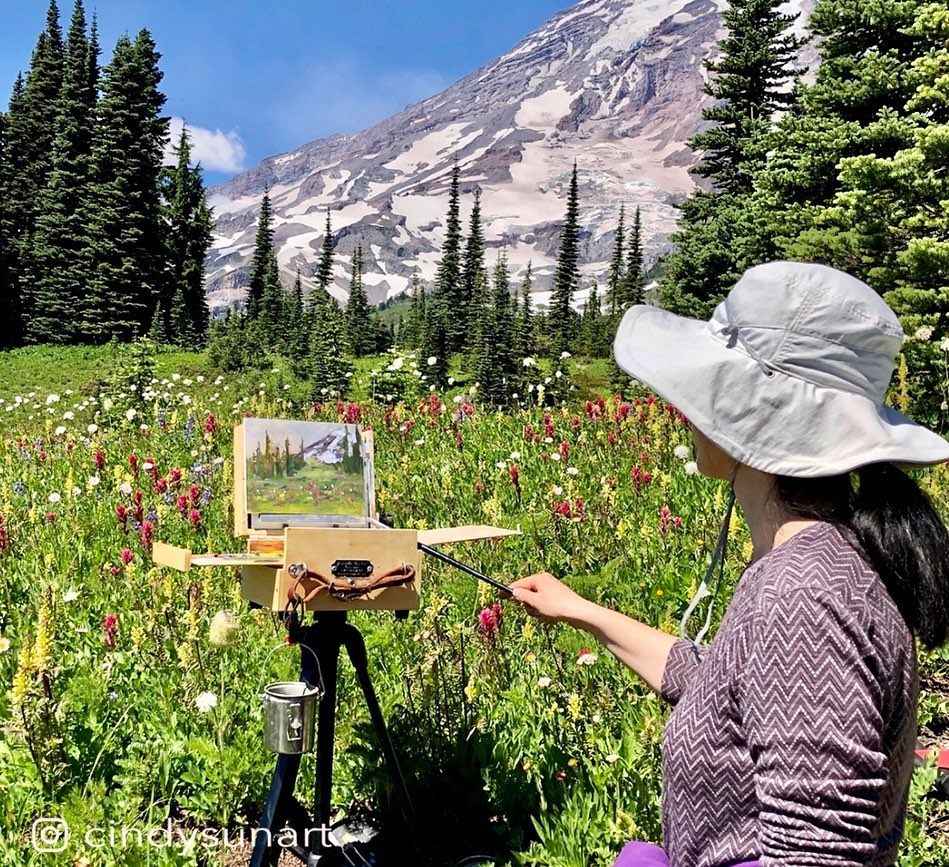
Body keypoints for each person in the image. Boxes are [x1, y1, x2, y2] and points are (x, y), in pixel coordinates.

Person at [508, 262, 949, 867]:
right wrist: (582, 612)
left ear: (753, 421)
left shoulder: (802, 596)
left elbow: (816, 858)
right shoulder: (816, 557)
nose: (688, 412)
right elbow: (723, 687)